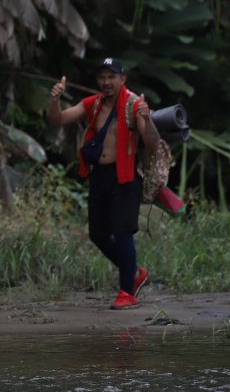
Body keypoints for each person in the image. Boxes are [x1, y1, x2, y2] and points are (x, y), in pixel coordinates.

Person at [47, 57, 161, 310]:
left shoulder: (134, 105)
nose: (106, 82)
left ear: (123, 79)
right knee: (97, 234)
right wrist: (55, 99)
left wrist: (147, 118)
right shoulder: (94, 103)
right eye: (102, 77)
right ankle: (135, 273)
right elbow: (58, 120)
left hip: (126, 175)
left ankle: (126, 292)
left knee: (122, 233)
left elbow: (152, 144)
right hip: (100, 175)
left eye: (111, 76)